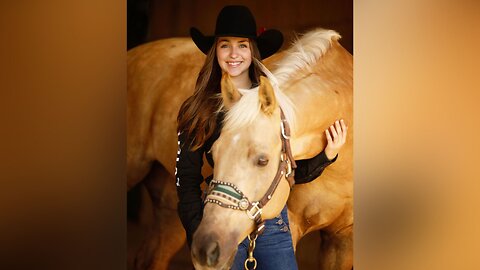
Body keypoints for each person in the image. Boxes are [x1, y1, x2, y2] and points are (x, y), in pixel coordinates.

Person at [175, 5, 348, 270]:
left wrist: (327, 155)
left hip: (272, 227)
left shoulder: (274, 104)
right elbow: (186, 180)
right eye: (225, 45)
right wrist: (202, 228)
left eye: (242, 45)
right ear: (215, 52)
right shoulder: (197, 110)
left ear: (252, 51)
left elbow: (287, 174)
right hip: (224, 218)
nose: (234, 54)